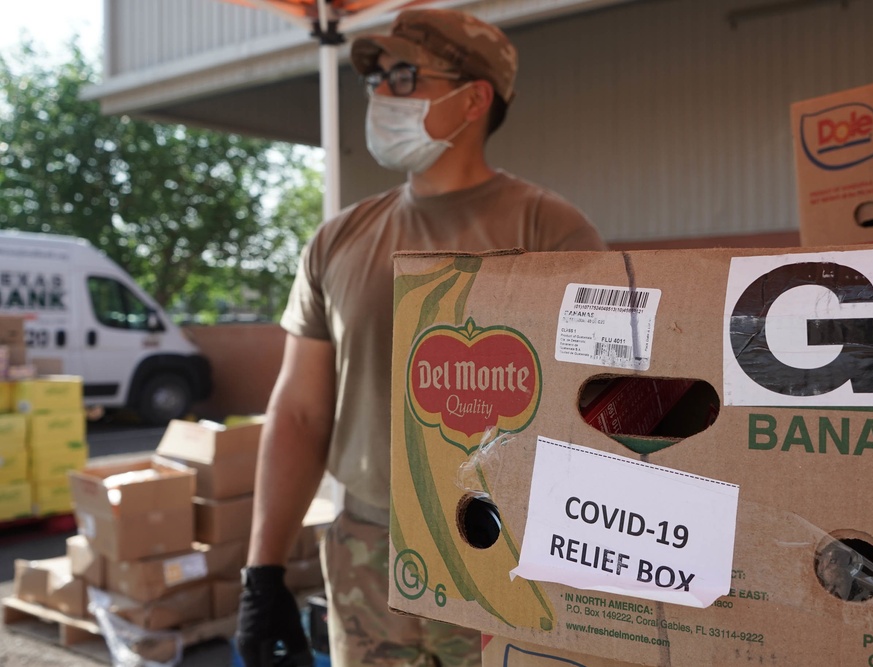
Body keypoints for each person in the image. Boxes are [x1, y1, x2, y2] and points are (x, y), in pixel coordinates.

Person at [235, 8, 607, 667]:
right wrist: (262, 572)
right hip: (364, 556)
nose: (381, 93)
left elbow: (600, 408)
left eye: (403, 75)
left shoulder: (553, 231)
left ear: (474, 98)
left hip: (508, 552)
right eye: (375, 78)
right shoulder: (338, 240)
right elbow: (298, 411)